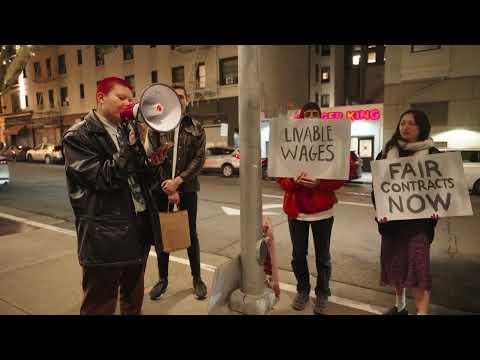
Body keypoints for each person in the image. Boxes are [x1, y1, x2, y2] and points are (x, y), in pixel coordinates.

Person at [62, 76, 162, 315]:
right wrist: (129, 148)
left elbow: (137, 178)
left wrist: (152, 162)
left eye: (131, 98)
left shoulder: (127, 130)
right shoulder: (78, 136)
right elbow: (102, 177)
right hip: (105, 235)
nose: (128, 102)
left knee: (133, 299)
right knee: (101, 303)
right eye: (121, 97)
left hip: (137, 227)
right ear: (101, 98)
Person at [277, 102, 345, 315]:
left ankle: (323, 293)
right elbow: (282, 181)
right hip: (297, 211)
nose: (312, 117)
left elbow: (339, 179)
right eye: (308, 114)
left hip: (323, 211)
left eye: (316, 113)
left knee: (323, 256)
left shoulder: (330, 143)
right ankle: (303, 290)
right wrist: (295, 181)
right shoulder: (290, 143)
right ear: (301, 117)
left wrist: (319, 184)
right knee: (298, 255)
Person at [372, 109, 440, 315]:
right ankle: (400, 306)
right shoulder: (386, 152)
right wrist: (380, 209)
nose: (406, 127)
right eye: (403, 123)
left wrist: (437, 208)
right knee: (396, 266)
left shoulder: (434, 155)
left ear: (422, 127)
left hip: (418, 226)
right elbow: (377, 188)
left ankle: (422, 312)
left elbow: (442, 189)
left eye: (412, 123)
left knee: (418, 271)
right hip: (392, 224)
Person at [145, 85, 208, 300]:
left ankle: (197, 278)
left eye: (182, 96)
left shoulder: (197, 127)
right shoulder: (157, 125)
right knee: (162, 234)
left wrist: (178, 182)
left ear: (187, 100)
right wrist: (167, 185)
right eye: (175, 96)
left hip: (188, 189)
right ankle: (163, 280)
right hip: (161, 190)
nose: (179, 100)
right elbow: (152, 159)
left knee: (191, 234)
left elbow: (199, 159)